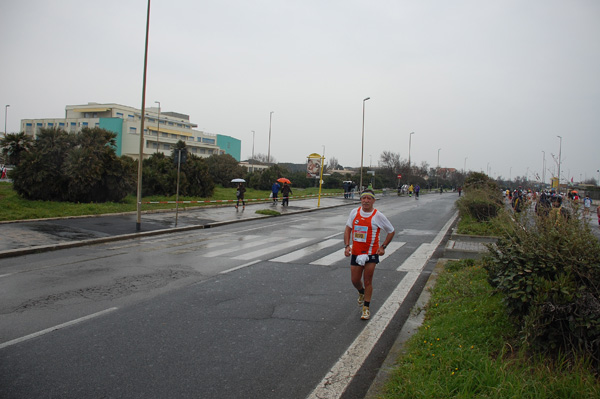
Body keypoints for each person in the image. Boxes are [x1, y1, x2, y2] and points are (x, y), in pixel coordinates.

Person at [344, 189, 395, 320]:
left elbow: (391, 231)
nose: (366, 201)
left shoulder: (378, 216)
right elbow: (348, 229)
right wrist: (346, 246)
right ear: (361, 199)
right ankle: (361, 292)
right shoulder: (354, 212)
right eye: (364, 198)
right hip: (356, 252)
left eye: (369, 198)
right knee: (355, 280)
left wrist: (383, 247)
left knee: (368, 281)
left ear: (373, 200)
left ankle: (366, 308)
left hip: (371, 254)